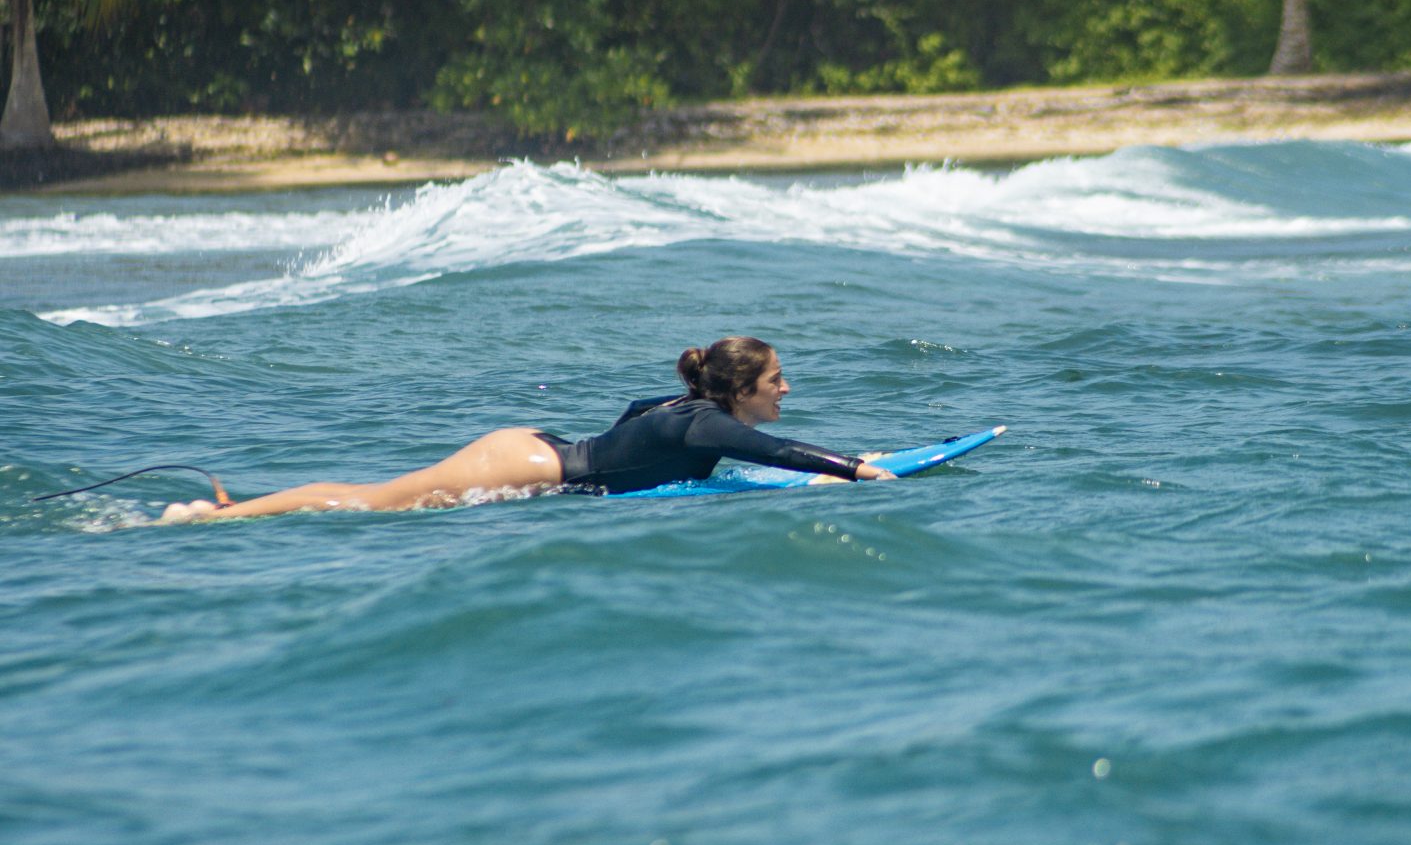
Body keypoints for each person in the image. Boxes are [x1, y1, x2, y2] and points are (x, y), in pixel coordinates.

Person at [158, 337, 894, 522]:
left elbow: (635, 423)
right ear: (740, 390)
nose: (787, 389)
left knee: (374, 496)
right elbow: (773, 450)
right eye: (775, 382)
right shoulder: (706, 425)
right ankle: (221, 513)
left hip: (541, 448)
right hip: (526, 468)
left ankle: (232, 508)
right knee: (368, 500)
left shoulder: (685, 414)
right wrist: (856, 470)